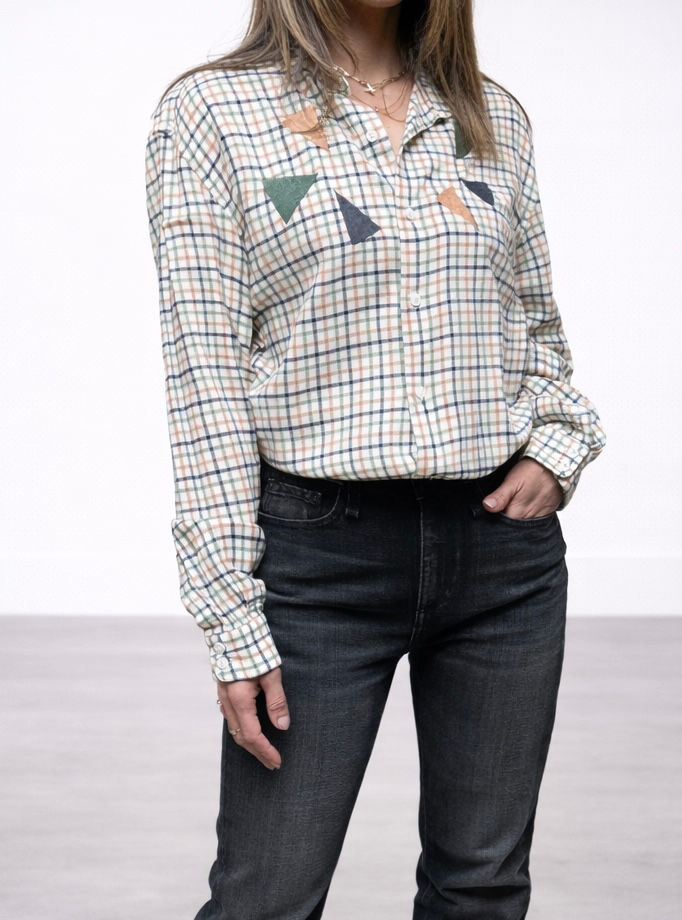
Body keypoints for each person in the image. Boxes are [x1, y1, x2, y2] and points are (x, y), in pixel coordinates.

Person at [144, 1, 606, 917]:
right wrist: (230, 617)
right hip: (319, 561)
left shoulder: (490, 115)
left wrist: (559, 446)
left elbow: (535, 325)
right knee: (267, 897)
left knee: (481, 889)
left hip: (502, 560)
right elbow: (205, 378)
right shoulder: (212, 114)